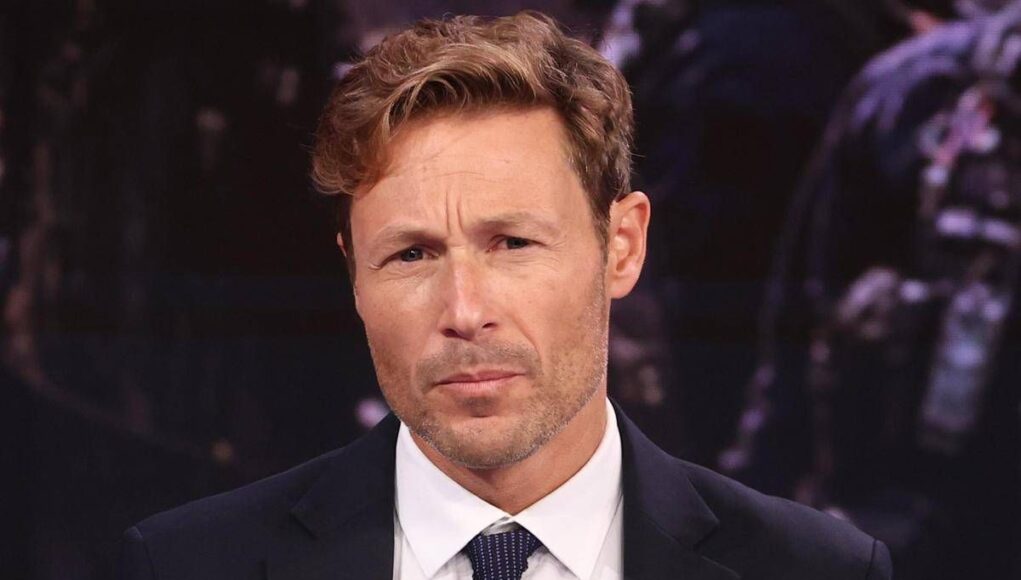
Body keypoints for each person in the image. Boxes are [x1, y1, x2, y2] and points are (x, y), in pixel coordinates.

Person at [118, 11, 892, 580]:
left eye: (513, 244)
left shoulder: (818, 572)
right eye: (411, 254)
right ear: (353, 273)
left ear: (621, 246)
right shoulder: (183, 567)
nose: (463, 312)